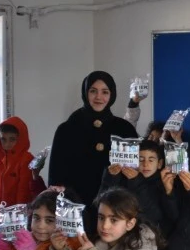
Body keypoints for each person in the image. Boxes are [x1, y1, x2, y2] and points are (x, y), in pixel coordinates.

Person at [47, 71, 139, 209]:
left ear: (112, 95)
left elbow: (135, 173)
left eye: (105, 92)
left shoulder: (124, 129)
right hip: (75, 207)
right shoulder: (66, 129)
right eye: (93, 91)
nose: (98, 97)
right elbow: (56, 178)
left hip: (115, 208)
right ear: (85, 93)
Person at [98, 139, 172, 236]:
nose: (145, 164)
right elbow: (99, 204)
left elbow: (154, 214)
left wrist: (137, 181)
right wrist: (111, 177)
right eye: (140, 160)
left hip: (146, 235)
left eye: (151, 160)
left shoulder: (164, 183)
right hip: (117, 233)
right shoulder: (123, 178)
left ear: (159, 164)